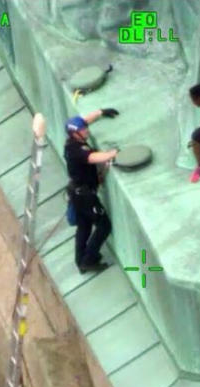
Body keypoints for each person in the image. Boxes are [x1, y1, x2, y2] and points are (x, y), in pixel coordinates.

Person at [64, 108, 120, 273]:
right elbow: (93, 157)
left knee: (84, 227)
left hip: (78, 193)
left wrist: (101, 112)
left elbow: (84, 120)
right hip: (85, 196)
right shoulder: (77, 150)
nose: (86, 130)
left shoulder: (73, 141)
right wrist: (112, 153)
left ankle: (80, 260)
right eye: (82, 130)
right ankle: (88, 260)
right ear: (75, 134)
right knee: (104, 226)